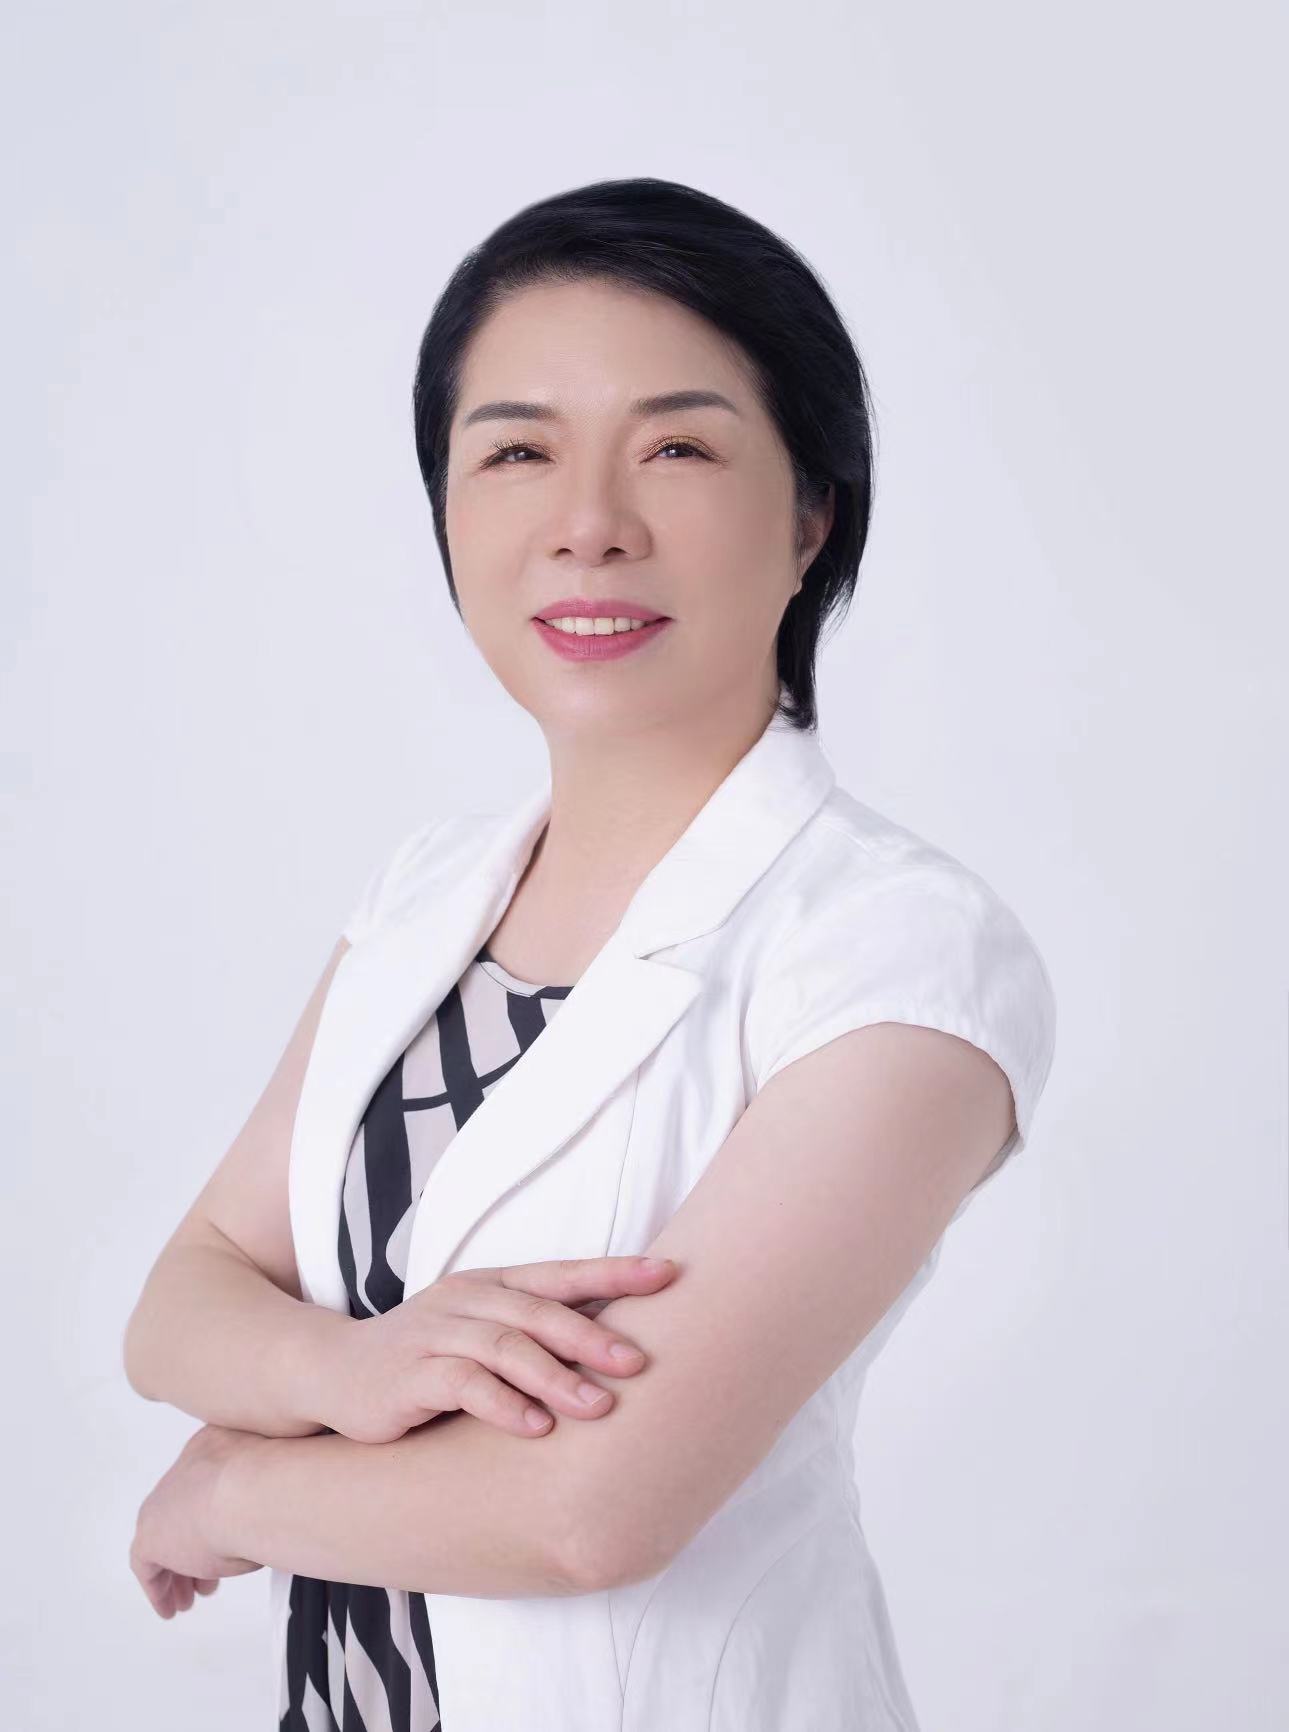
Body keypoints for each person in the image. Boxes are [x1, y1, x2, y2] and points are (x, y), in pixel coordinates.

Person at [123, 176, 1057, 1732]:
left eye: (677, 448)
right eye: (515, 453)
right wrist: (349, 1375)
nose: (588, 526)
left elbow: (588, 1513)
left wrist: (227, 1488)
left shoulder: (902, 956)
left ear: (811, 513)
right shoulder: (426, 895)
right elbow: (182, 1301)